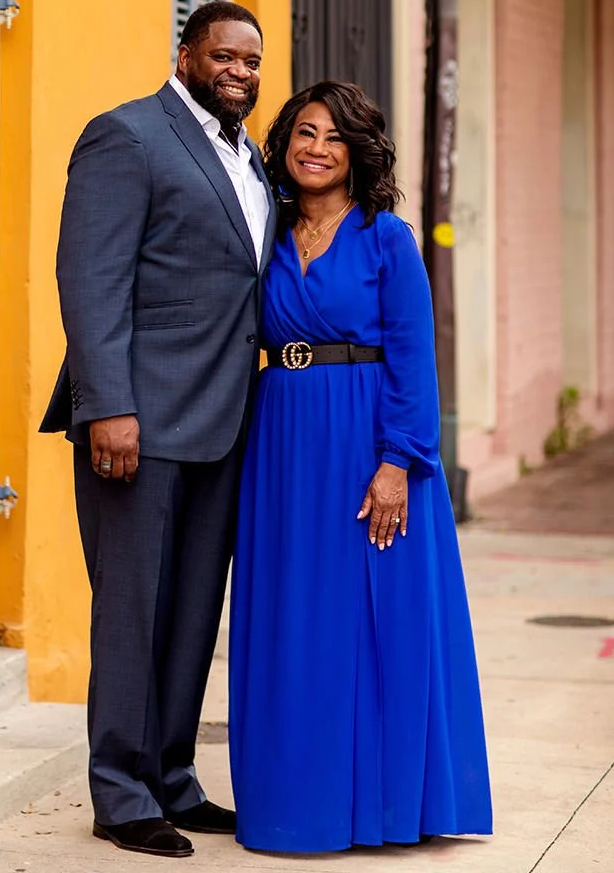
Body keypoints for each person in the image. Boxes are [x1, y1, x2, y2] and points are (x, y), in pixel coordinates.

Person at [227, 79, 492, 852]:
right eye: (305, 133)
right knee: (291, 618)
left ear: (357, 152)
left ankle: (381, 806)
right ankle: (289, 803)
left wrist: (398, 462)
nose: (316, 149)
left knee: (376, 625)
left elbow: (414, 356)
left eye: (334, 137)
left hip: (368, 443)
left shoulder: (386, 238)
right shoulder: (266, 229)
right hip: (282, 443)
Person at [39, 1, 273, 859]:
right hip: (137, 423)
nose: (240, 72)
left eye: (252, 61)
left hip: (223, 424)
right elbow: (90, 278)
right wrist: (108, 406)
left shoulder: (252, 159)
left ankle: (174, 777)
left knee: (190, 615)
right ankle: (122, 793)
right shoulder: (127, 136)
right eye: (225, 56)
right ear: (185, 54)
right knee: (133, 614)